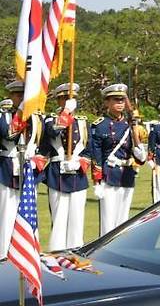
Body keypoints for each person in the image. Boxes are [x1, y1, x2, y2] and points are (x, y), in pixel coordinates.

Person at [38, 83, 91, 251]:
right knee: (59, 215)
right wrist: (66, 113)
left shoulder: (82, 122)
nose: (70, 101)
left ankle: (76, 249)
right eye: (66, 98)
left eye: (72, 98)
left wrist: (81, 161)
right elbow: (52, 133)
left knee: (77, 216)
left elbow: (89, 149)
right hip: (57, 174)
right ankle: (57, 250)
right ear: (59, 100)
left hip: (77, 173)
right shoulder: (50, 119)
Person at [91, 83, 147, 236]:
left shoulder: (130, 124)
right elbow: (96, 155)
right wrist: (97, 180)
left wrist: (135, 129)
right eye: (116, 100)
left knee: (123, 219)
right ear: (107, 102)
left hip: (127, 175)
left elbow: (141, 158)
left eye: (122, 100)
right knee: (108, 219)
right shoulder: (100, 125)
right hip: (109, 174)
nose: (120, 103)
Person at [0, 80, 43, 258]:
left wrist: (39, 160)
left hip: (29, 171)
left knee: (29, 212)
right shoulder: (4, 116)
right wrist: (20, 111)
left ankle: (28, 252)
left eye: (24, 94)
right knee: (7, 213)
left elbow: (42, 143)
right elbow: (9, 134)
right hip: (8, 170)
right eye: (18, 95)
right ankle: (4, 252)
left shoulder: (37, 118)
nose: (21, 98)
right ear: (11, 96)